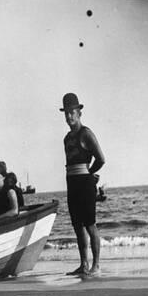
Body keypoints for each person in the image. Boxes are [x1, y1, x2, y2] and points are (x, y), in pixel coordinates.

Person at [60, 92, 105, 276]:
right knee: (77, 226)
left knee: (90, 225)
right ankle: (83, 265)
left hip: (85, 183)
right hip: (72, 184)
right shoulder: (66, 138)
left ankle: (96, 265)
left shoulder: (86, 133)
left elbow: (101, 159)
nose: (69, 116)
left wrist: (89, 174)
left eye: (72, 112)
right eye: (67, 113)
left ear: (79, 113)